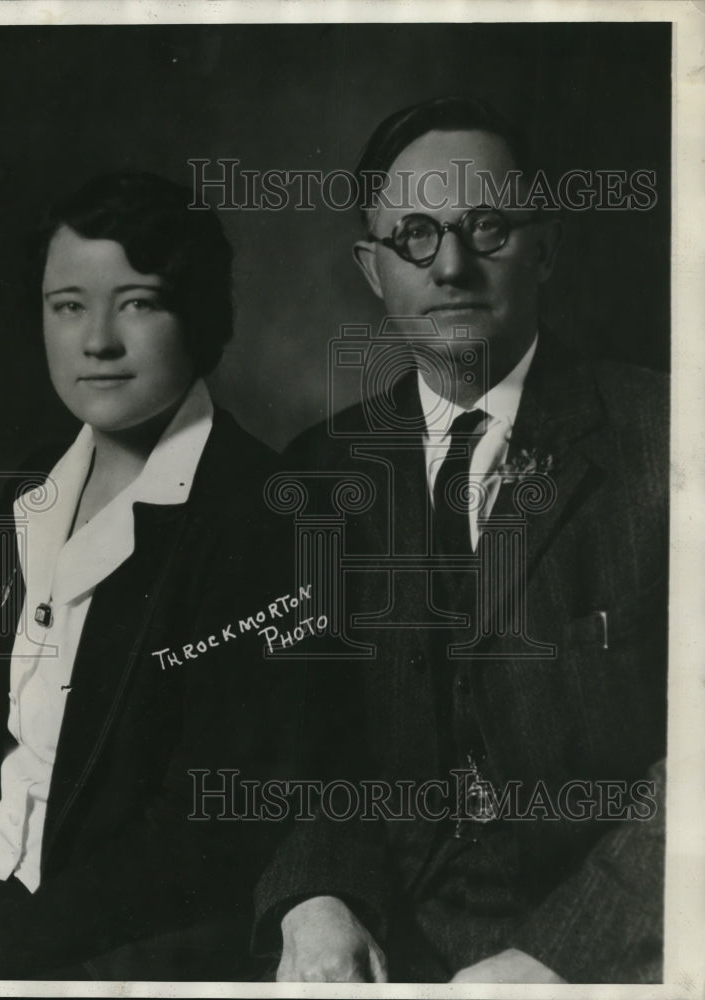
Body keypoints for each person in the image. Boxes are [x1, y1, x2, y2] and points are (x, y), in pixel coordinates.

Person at [253, 97, 668, 983]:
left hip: (619, 953)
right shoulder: (319, 472)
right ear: (371, 268)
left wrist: (558, 957)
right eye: (412, 234)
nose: (448, 265)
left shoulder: (668, 436)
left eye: (485, 227)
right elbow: (305, 747)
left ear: (546, 246)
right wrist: (317, 896)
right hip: (386, 949)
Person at [0, 172, 303, 980]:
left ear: (199, 317)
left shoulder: (260, 513)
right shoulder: (28, 489)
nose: (96, 339)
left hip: (132, 949)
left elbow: (211, 820)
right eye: (68, 304)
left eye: (137, 302)